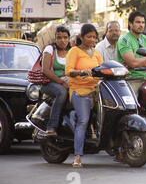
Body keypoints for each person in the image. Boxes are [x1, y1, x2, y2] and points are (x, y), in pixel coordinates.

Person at [65, 24, 103, 168]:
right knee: (83, 120)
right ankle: (77, 156)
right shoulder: (74, 51)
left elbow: (102, 68)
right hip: (79, 90)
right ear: (82, 37)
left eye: (94, 37)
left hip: (96, 89)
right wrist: (81, 72)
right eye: (89, 36)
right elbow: (68, 71)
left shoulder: (96, 52)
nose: (92, 39)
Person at [117, 11, 146, 95]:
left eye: (143, 22)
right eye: (138, 22)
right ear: (130, 24)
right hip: (131, 79)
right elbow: (133, 63)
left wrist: (138, 62)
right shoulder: (124, 40)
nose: (141, 25)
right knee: (135, 106)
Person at [41, 26, 71, 137]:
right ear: (55, 39)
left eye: (65, 37)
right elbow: (45, 70)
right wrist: (61, 82)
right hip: (49, 83)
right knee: (62, 92)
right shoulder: (50, 49)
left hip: (68, 82)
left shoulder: (71, 51)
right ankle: (51, 127)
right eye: (59, 37)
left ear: (69, 39)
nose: (62, 40)